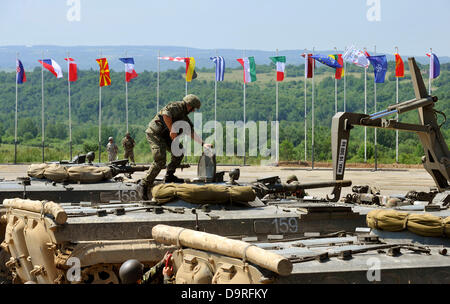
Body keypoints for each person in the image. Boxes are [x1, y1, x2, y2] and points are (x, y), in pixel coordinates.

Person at [141, 94, 212, 197]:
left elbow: (191, 132)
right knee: (160, 159)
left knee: (179, 152)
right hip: (155, 133)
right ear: (189, 105)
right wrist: (172, 130)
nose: (193, 111)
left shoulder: (184, 117)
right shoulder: (175, 106)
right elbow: (166, 115)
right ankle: (145, 184)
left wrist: (203, 144)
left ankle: (169, 176)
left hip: (167, 136)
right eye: (193, 108)